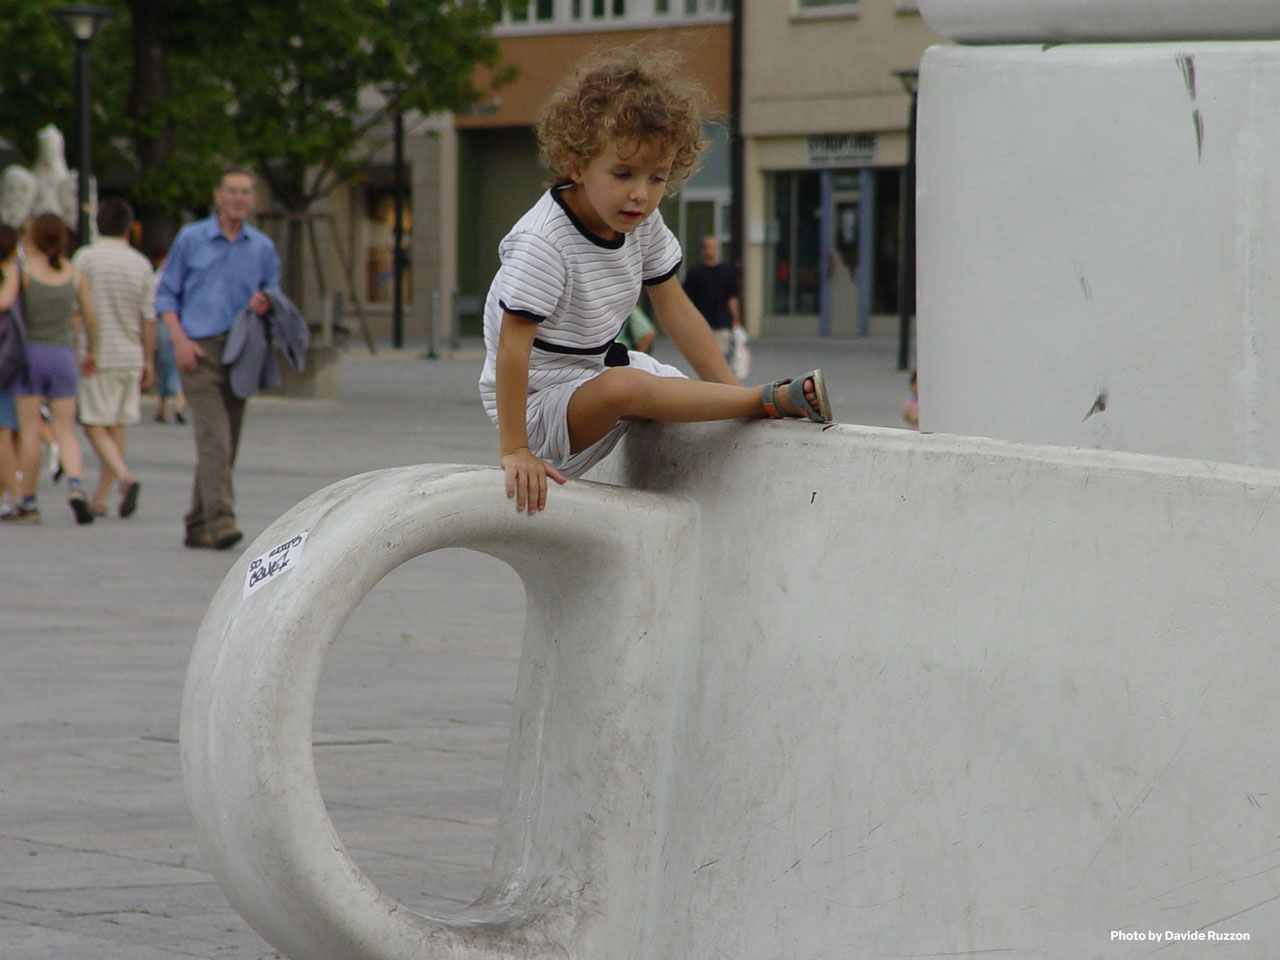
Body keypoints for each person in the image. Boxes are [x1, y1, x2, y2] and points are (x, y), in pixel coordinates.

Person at [478, 45, 832, 516]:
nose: (640, 194)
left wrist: (724, 390)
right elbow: (511, 348)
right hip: (538, 407)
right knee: (630, 387)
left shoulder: (641, 221)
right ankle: (765, 398)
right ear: (576, 163)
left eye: (657, 177)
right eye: (623, 173)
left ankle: (748, 402)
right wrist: (515, 450)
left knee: (676, 394)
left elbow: (676, 310)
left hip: (598, 372)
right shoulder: (544, 243)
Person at [155, 166, 280, 549]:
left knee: (227, 441)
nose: (238, 198)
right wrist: (179, 341)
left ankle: (196, 523)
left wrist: (265, 303)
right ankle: (221, 521)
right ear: (218, 195)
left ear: (253, 200)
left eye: (245, 192)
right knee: (215, 439)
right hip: (198, 348)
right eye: (232, 191)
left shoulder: (261, 247)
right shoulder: (191, 239)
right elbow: (165, 296)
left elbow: (274, 295)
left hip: (242, 349)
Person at [10, 212, 98, 524]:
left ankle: (28, 500)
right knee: (65, 429)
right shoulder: (74, 273)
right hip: (63, 355)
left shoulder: (23, 271)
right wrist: (92, 353)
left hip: (31, 355)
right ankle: (76, 484)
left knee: (31, 430)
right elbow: (89, 318)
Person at [72, 199, 157, 518]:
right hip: (130, 353)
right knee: (117, 423)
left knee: (93, 421)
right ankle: (102, 496)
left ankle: (124, 477)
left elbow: (76, 309)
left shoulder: (86, 258)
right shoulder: (141, 263)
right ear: (127, 228)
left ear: (97, 225)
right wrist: (148, 359)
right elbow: (149, 317)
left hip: (96, 354)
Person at [682, 235, 740, 365]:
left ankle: (720, 381)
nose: (714, 251)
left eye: (716, 248)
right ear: (703, 251)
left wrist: (735, 317)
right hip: (702, 320)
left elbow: (732, 296)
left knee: (722, 355)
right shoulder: (695, 272)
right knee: (705, 357)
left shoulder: (726, 271)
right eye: (711, 248)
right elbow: (686, 297)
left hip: (722, 320)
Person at [147, 243, 186, 423]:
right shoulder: (180, 278)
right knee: (173, 363)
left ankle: (169, 404)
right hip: (178, 322)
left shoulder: (157, 279)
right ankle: (175, 403)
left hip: (163, 321)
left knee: (164, 363)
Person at [0, 224, 22, 515]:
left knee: (9, 431)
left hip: (8, 361)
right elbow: (4, 301)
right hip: (5, 360)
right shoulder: (11, 274)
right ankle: (18, 495)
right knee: (4, 432)